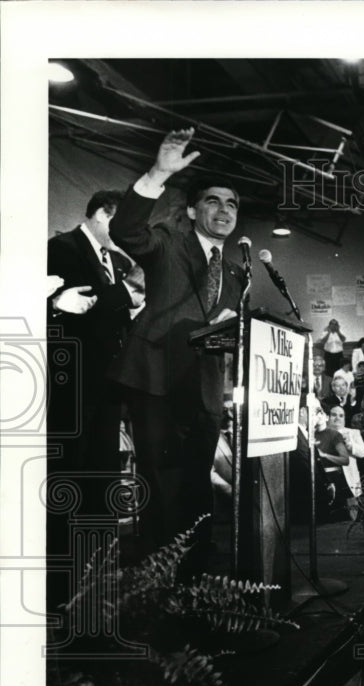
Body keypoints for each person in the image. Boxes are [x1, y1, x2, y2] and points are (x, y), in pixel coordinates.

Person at [108, 128, 242, 552]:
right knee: (160, 485)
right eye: (213, 200)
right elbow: (128, 231)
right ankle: (158, 585)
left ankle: (195, 579)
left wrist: (231, 334)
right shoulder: (168, 241)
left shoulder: (237, 271)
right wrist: (157, 173)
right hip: (157, 381)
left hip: (203, 390)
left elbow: (223, 333)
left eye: (232, 203)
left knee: (196, 486)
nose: (224, 210)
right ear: (191, 208)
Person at [47, 190, 143, 482]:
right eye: (124, 223)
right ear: (102, 213)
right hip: (71, 384)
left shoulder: (120, 263)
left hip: (110, 382)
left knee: (102, 471)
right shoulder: (59, 249)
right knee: (69, 468)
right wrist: (128, 292)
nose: (129, 235)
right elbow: (70, 309)